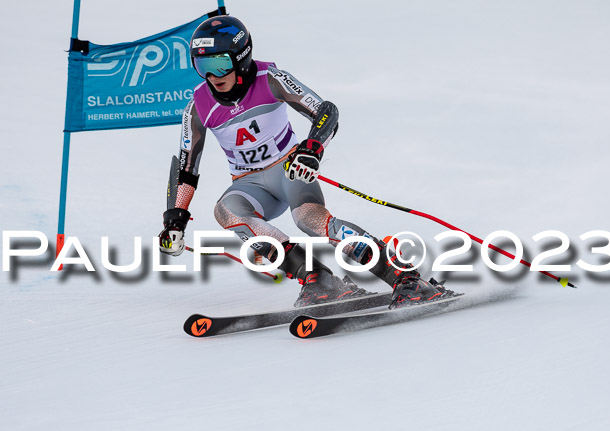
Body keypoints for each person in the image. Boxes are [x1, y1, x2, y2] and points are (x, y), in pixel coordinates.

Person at [159, 15, 453, 308]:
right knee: (226, 211)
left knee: (309, 220)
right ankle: (318, 279)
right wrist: (176, 217)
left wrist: (312, 149)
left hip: (290, 169)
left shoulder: (270, 79)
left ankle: (405, 276)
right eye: (202, 67)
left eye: (218, 65)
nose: (212, 77)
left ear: (242, 57)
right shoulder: (197, 107)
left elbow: (326, 111)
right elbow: (187, 168)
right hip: (249, 184)